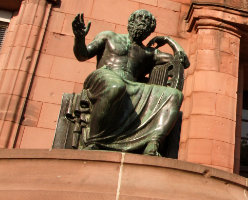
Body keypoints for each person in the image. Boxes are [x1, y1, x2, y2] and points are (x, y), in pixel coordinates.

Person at [72, 10, 190, 155]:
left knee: (175, 95)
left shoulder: (149, 53)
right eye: (139, 21)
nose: (142, 25)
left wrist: (167, 40)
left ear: (149, 32)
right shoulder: (109, 37)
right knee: (116, 87)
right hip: (105, 75)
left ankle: (153, 142)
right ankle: (94, 141)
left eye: (147, 25)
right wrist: (79, 38)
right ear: (130, 23)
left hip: (131, 85)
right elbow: (82, 54)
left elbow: (182, 61)